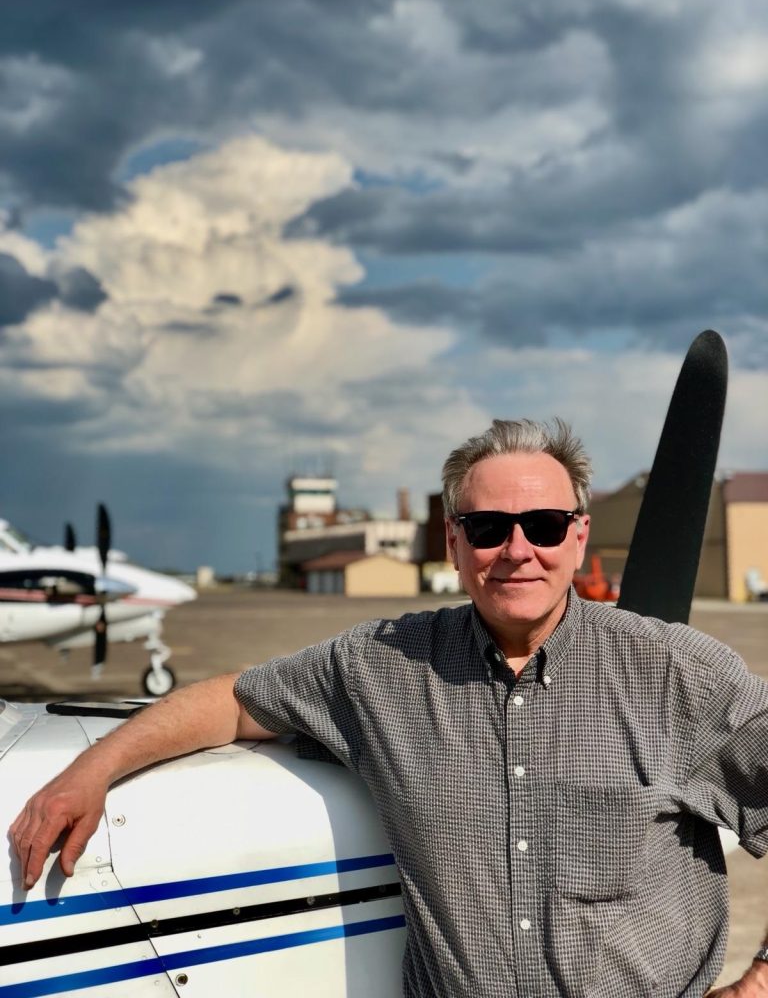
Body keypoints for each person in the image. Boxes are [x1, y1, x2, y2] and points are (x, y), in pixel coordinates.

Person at [9, 419, 768, 998]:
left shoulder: (678, 675)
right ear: (453, 540)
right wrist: (94, 768)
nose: (516, 550)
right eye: (486, 528)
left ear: (578, 536)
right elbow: (232, 701)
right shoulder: (381, 667)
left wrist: (756, 984)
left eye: (541, 526)